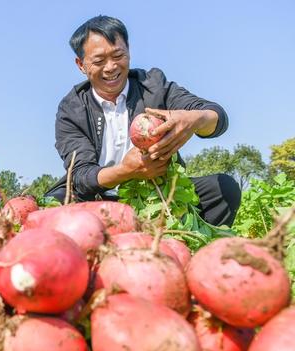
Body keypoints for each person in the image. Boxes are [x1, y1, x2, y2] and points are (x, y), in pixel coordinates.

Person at [46, 15, 241, 226]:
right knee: (50, 207)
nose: (111, 67)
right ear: (81, 65)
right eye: (99, 61)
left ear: (128, 51)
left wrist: (195, 119)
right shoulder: (71, 108)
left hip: (156, 194)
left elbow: (216, 116)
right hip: (96, 199)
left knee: (223, 189)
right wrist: (127, 171)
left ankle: (191, 246)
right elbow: (82, 176)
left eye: (118, 55)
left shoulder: (154, 85)